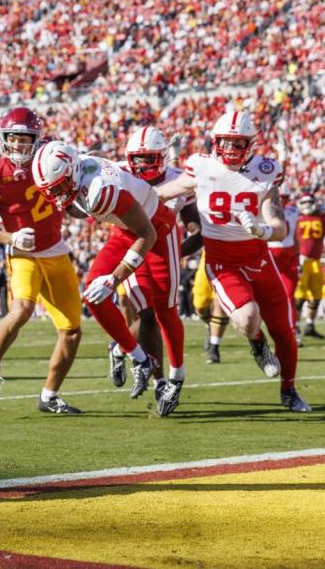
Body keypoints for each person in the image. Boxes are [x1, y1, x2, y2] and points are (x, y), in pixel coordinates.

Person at [156, 110, 309, 412]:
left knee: (285, 331)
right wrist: (128, 200)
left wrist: (262, 230)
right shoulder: (200, 167)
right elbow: (161, 192)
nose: (230, 150)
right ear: (215, 142)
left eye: (238, 143)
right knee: (249, 318)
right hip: (223, 261)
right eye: (225, 142)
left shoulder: (266, 171)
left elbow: (279, 225)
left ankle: (289, 390)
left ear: (251, 145)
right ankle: (257, 343)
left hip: (260, 259)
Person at [33, 140, 183, 416]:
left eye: (57, 188)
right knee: (93, 294)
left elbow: (147, 233)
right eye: (50, 191)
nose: (55, 196)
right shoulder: (79, 173)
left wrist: (114, 279)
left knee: (164, 309)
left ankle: (176, 376)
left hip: (156, 228)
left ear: (71, 172)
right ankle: (139, 359)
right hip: (126, 228)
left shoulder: (101, 190)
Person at [0, 108, 82, 414]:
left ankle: (49, 396)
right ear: (3, 139)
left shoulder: (52, 159)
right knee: (22, 309)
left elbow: (72, 206)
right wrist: (9, 237)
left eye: (24, 139)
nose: (18, 146)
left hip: (55, 250)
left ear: (36, 140)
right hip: (23, 252)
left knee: (71, 331)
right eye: (12, 139)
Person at [110, 126, 198, 402]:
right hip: (130, 245)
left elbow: (196, 227)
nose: (143, 165)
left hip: (163, 250)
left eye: (149, 158)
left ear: (161, 157)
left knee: (164, 313)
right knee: (146, 314)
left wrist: (177, 252)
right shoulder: (118, 172)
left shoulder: (176, 180)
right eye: (138, 158)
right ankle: (154, 375)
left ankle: (131, 356)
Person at [294, 194, 325, 341]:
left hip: (316, 260)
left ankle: (310, 325)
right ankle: (296, 327)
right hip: (301, 260)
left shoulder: (322, 217)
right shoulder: (296, 217)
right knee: (300, 297)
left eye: (310, 202)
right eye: (305, 202)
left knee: (317, 296)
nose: (308, 204)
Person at [268, 190, 300, 342]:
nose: (280, 201)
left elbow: (294, 236)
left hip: (288, 256)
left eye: (283, 198)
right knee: (266, 297)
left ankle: (292, 330)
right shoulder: (265, 210)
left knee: (289, 294)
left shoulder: (293, 211)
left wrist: (298, 255)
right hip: (270, 254)